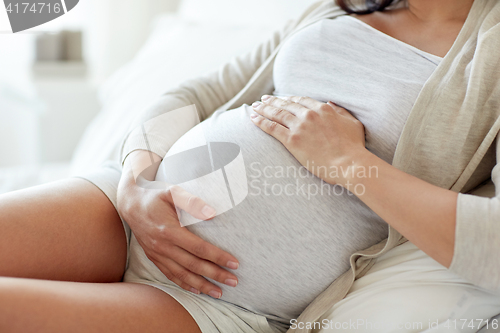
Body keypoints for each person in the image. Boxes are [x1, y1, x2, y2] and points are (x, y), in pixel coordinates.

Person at [1, 0, 499, 332]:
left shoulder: (491, 51)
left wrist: (348, 162)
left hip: (216, 298)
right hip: (123, 212)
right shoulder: (334, 8)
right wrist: (136, 180)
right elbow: (191, 94)